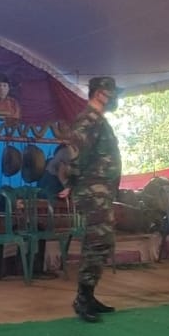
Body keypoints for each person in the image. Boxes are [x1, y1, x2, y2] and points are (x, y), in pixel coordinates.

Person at [65, 76, 122, 322]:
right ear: (99, 93)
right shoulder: (87, 119)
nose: (115, 98)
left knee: (102, 242)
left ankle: (89, 295)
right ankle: (82, 298)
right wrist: (72, 182)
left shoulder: (99, 120)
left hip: (102, 191)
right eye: (112, 93)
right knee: (97, 242)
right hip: (93, 191)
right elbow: (75, 153)